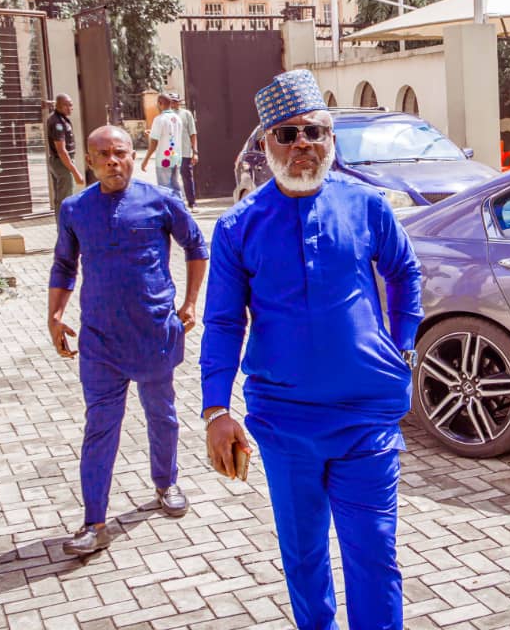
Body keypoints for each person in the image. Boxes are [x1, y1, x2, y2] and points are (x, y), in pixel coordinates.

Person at [200, 69, 423, 630]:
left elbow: (405, 273)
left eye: (315, 131)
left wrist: (402, 347)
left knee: (374, 554)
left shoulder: (368, 206)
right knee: (303, 559)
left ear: (331, 137)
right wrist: (216, 410)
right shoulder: (237, 227)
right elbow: (224, 323)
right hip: (284, 424)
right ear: (264, 146)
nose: (304, 144)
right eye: (288, 134)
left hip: (365, 419)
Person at [49, 125, 208, 555]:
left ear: (134, 156)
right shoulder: (75, 209)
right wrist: (55, 315)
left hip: (154, 332)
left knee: (163, 415)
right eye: (103, 155)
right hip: (99, 341)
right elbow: (64, 266)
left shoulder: (160, 201)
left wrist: (191, 303)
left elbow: (196, 246)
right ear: (89, 161)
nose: (113, 161)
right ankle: (93, 522)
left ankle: (166, 482)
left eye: (120, 153)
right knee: (100, 427)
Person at [46, 94, 84, 217]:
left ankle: (62, 231)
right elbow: (62, 151)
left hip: (58, 162)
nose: (69, 108)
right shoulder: (58, 122)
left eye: (70, 105)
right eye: (65, 105)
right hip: (62, 163)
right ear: (58, 106)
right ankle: (65, 231)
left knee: (60, 199)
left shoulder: (59, 118)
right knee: (65, 200)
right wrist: (75, 172)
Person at [142, 93, 184, 200]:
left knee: (164, 188)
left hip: (164, 159)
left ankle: (169, 211)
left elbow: (154, 141)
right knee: (175, 185)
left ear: (160, 103)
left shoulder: (159, 119)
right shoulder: (177, 119)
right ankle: (179, 207)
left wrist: (146, 159)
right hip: (176, 157)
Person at [168, 92, 199, 209]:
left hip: (185, 151)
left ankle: (192, 202)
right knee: (171, 179)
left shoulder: (186, 114)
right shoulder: (166, 116)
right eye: (171, 101)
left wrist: (195, 152)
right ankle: (175, 204)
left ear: (179, 102)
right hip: (170, 152)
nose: (173, 104)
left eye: (175, 101)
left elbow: (193, 133)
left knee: (187, 177)